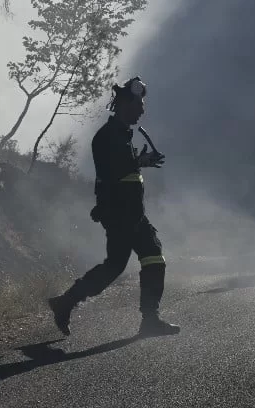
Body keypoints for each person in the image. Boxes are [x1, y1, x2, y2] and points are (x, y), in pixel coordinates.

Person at [47, 77, 180, 338]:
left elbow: (125, 167)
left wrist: (140, 161)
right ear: (124, 104)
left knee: (142, 259)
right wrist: (139, 161)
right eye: (139, 104)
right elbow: (113, 170)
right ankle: (67, 302)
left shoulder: (122, 135)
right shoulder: (106, 137)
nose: (142, 110)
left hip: (132, 213)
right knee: (120, 264)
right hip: (120, 213)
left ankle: (68, 302)